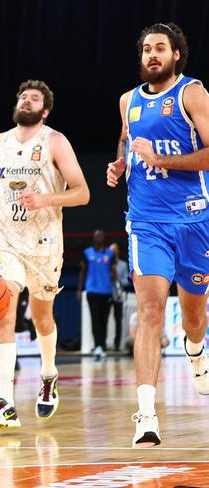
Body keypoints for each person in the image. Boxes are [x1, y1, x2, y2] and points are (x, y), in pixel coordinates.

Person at [0, 79, 90, 429]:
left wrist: (46, 199)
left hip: (45, 244)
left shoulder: (55, 141)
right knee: (3, 310)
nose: (26, 100)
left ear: (44, 110)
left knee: (41, 318)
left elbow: (82, 193)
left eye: (34, 98)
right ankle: (5, 402)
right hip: (6, 240)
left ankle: (48, 374)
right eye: (23, 96)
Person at [107, 22, 209, 448]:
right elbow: (128, 144)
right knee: (149, 311)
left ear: (176, 55)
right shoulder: (127, 101)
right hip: (146, 222)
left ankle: (195, 348)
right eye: (147, 48)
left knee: (193, 317)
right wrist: (121, 165)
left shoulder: (192, 94)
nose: (152, 55)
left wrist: (169, 162)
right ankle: (146, 414)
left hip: (194, 220)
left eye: (160, 49)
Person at [78, 229, 116, 359]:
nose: (99, 237)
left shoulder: (110, 254)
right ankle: (98, 345)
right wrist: (79, 290)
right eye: (96, 235)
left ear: (104, 237)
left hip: (106, 291)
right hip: (92, 291)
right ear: (93, 238)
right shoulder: (87, 253)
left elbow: (113, 272)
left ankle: (103, 345)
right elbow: (83, 272)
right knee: (95, 319)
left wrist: (117, 287)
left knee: (104, 320)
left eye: (101, 235)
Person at [110, 242, 129, 351]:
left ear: (118, 252)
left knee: (118, 320)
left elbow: (126, 281)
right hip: (107, 293)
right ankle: (102, 344)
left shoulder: (122, 264)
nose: (113, 252)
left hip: (118, 295)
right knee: (103, 319)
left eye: (115, 250)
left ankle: (117, 344)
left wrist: (118, 280)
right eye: (111, 250)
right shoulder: (105, 263)